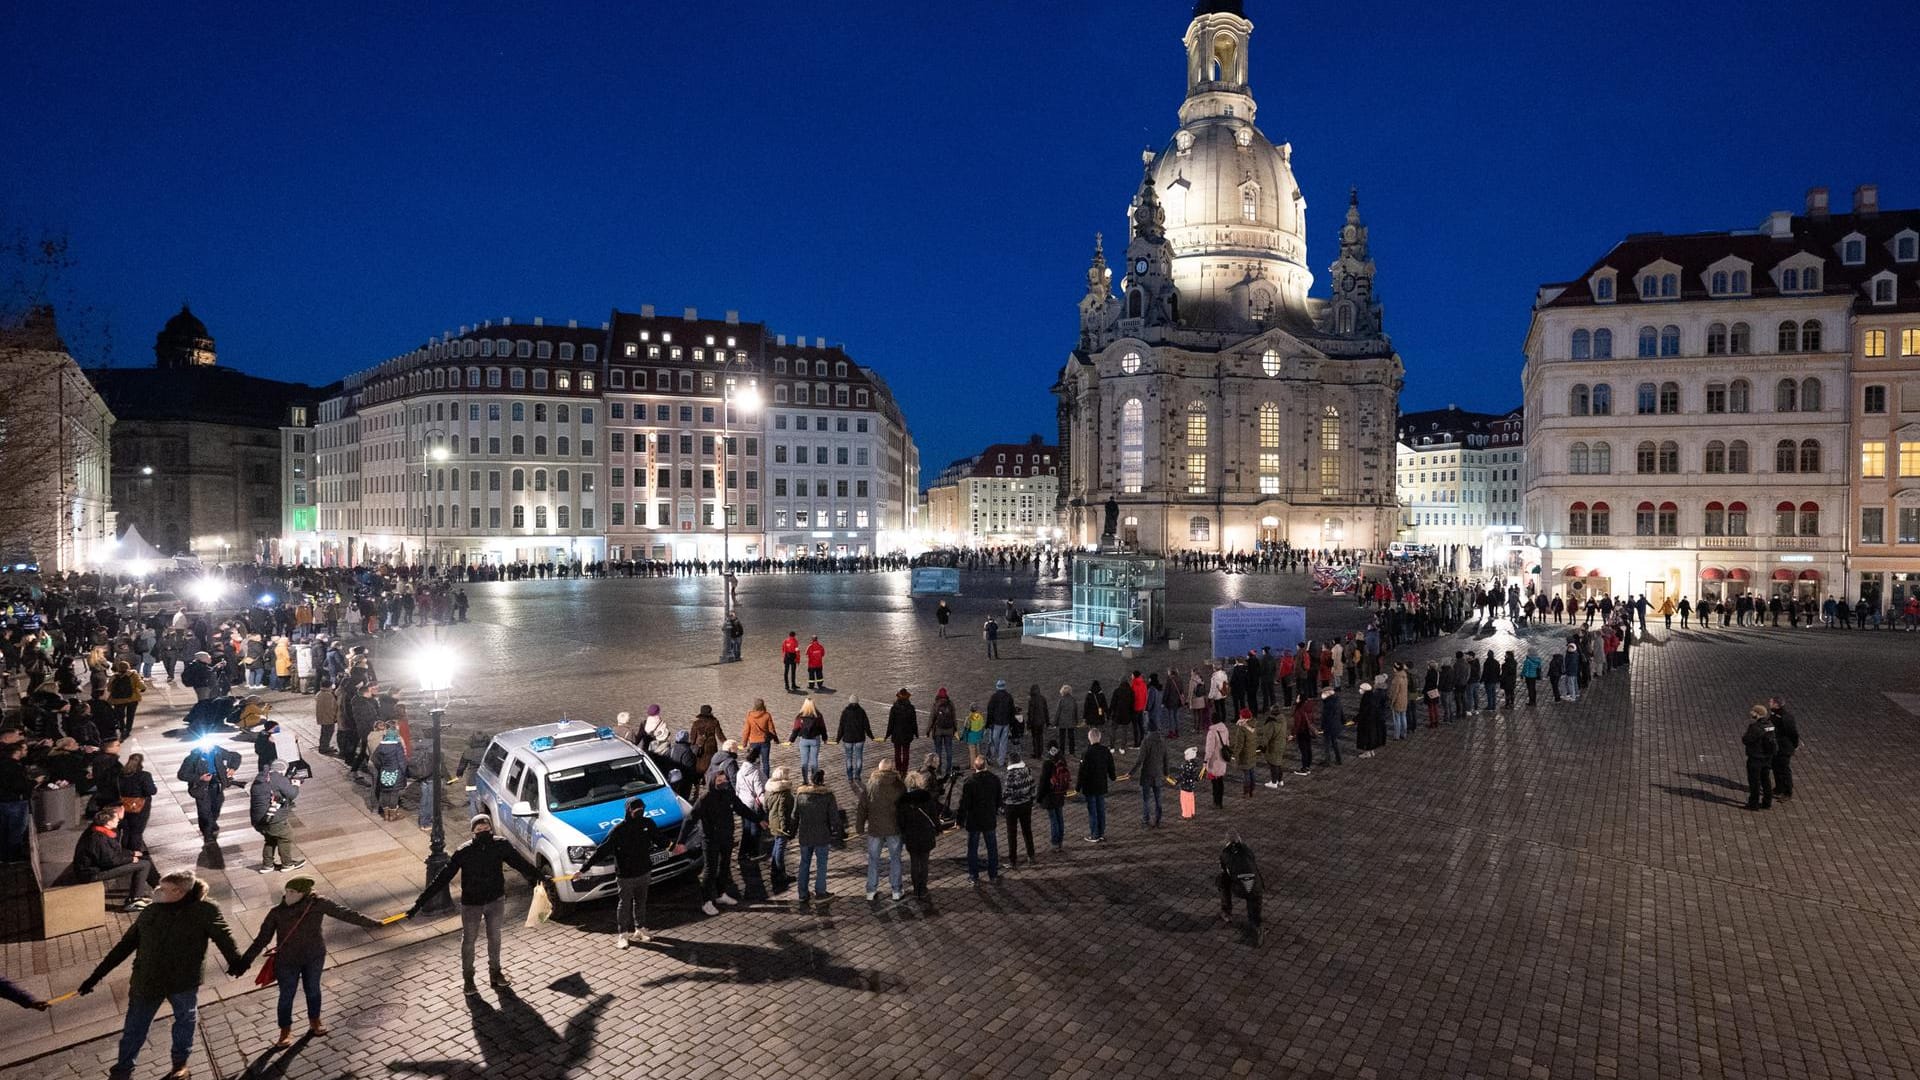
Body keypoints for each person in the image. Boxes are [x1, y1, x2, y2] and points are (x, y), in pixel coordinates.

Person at [79, 871, 243, 1080]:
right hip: (147, 980)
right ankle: (122, 1071)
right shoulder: (151, 911)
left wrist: (236, 962)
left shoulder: (205, 910)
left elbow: (224, 937)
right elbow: (125, 946)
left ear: (179, 891)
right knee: (135, 1028)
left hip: (182, 981)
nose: (156, 891)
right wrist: (95, 977)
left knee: (185, 1020)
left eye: (163, 888)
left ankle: (179, 1065)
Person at [239, 876, 383, 1047]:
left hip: (313, 956)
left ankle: (315, 1021)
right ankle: (285, 1031)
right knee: (286, 996)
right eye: (287, 891)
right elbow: (261, 939)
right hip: (287, 960)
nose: (288, 895)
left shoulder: (318, 904)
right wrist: (244, 962)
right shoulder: (277, 912)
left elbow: (345, 914)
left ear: (304, 893)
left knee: (313, 990)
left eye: (293, 892)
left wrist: (373, 923)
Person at [407, 813, 540, 993]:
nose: (483, 832)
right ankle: (469, 979)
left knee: (495, 937)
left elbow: (520, 864)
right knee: (469, 941)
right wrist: (419, 904)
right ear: (472, 832)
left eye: (486, 829)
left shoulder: (500, 845)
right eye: (479, 830)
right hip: (472, 904)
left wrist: (541, 877)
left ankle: (496, 973)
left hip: (496, 900)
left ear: (491, 829)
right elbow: (442, 878)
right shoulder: (464, 851)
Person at [578, 796, 664, 947]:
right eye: (636, 810)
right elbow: (601, 851)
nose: (640, 812)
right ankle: (623, 934)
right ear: (628, 811)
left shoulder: (647, 823)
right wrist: (584, 868)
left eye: (642, 809)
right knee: (624, 904)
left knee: (641, 901)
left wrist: (673, 847)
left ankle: (640, 928)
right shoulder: (618, 830)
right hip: (625, 875)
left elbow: (659, 838)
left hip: (644, 871)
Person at [72, 807, 161, 911]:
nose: (118, 820)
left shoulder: (101, 832)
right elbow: (110, 861)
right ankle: (134, 900)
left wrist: (132, 853)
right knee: (143, 865)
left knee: (143, 858)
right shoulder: (98, 838)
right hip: (91, 874)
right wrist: (131, 859)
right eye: (115, 819)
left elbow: (113, 853)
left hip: (95, 868)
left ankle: (156, 886)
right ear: (108, 822)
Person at [178, 739, 240, 843]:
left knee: (216, 808)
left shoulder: (217, 751)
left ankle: (212, 824)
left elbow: (235, 756)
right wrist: (200, 778)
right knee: (204, 811)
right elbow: (182, 775)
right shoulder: (193, 758)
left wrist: (233, 768)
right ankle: (207, 834)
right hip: (201, 787)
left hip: (217, 784)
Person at [793, 768, 839, 904]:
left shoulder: (801, 796)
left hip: (805, 835)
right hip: (822, 835)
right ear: (822, 781)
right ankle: (820, 892)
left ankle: (802, 893)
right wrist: (838, 833)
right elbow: (834, 818)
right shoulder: (828, 796)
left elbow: (794, 816)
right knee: (821, 865)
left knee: (804, 863)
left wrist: (792, 831)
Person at [249, 761, 304, 873]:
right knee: (285, 837)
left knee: (270, 839)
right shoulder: (278, 778)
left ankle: (267, 865)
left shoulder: (261, 777)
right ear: (282, 770)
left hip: (258, 820)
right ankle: (287, 864)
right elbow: (292, 794)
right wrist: (296, 785)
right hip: (273, 818)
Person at [865, 758, 907, 902]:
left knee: (873, 859)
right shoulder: (899, 785)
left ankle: (871, 890)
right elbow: (904, 808)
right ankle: (896, 889)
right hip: (893, 827)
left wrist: (859, 825)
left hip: (875, 828)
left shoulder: (871, 784)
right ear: (891, 769)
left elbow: (862, 806)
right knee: (895, 858)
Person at [956, 756, 1002, 884]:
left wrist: (960, 820)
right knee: (992, 848)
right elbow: (999, 799)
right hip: (989, 818)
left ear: (975, 766)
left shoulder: (969, 782)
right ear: (986, 765)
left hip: (974, 820)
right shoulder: (994, 779)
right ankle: (993, 874)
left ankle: (973, 875)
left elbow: (963, 804)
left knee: (972, 849)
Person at [897, 771, 940, 902]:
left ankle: (916, 889)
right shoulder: (927, 797)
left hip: (911, 835)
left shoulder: (903, 800)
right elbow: (934, 816)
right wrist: (937, 829)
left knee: (914, 862)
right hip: (926, 834)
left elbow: (901, 821)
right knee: (925, 862)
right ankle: (924, 888)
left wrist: (903, 833)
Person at [1218, 831, 1266, 945]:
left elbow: (1226, 872)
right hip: (1256, 887)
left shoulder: (1225, 854)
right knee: (1254, 907)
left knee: (1221, 880)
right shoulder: (1247, 850)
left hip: (1241, 888)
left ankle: (1226, 911)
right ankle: (1257, 926)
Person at [1077, 728, 1115, 842]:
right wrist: (1113, 776)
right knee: (1101, 809)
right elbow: (1111, 766)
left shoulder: (1086, 753)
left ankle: (1094, 834)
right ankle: (1101, 832)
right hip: (1101, 785)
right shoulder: (1105, 751)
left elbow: (1082, 772)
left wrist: (1078, 787)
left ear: (1090, 738)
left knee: (1092, 810)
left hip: (1090, 786)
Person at [764, 766, 797, 894]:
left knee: (776, 846)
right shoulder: (785, 793)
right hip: (781, 825)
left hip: (772, 822)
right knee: (780, 848)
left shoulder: (769, 789)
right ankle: (780, 873)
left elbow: (765, 806)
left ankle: (774, 870)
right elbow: (783, 812)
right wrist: (785, 829)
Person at [116, 752, 157, 855]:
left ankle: (125, 850)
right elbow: (151, 791)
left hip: (125, 804)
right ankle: (135, 852)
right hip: (140, 806)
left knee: (127, 830)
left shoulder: (121, 775)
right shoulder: (144, 775)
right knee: (137, 830)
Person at [1002, 752, 1037, 865]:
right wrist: (1031, 800)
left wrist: (1002, 805)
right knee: (1027, 831)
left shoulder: (1010, 775)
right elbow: (1033, 787)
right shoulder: (1027, 771)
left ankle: (1013, 860)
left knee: (1012, 833)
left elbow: (1006, 792)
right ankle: (1031, 855)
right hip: (1026, 805)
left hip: (1012, 807)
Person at [1742, 705, 1778, 811]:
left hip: (1756, 757)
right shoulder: (1770, 725)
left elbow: (1746, 740)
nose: (1751, 713)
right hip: (1767, 757)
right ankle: (1767, 802)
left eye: (1753, 711)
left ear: (1757, 713)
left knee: (1754, 781)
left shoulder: (1755, 727)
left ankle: (1753, 804)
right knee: (1766, 780)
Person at [1039, 744, 1071, 848]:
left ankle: (1055, 841)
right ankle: (1060, 840)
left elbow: (1043, 782)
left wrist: (1039, 797)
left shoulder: (1048, 763)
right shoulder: (1062, 761)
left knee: (1053, 819)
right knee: (1060, 817)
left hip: (1050, 795)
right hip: (1060, 793)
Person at [1134, 724, 1167, 827]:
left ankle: (1146, 819)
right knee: (1158, 799)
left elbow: (1140, 760)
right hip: (1158, 774)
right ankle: (1158, 819)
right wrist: (1166, 773)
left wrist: (1131, 772)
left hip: (1147, 774)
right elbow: (1166, 759)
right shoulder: (1162, 742)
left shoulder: (1146, 742)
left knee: (1146, 799)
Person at [837, 695, 873, 786]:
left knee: (849, 757)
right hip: (859, 738)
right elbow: (866, 726)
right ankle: (857, 775)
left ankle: (850, 777)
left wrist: (838, 739)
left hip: (848, 739)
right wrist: (871, 736)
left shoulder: (845, 712)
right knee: (859, 757)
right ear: (858, 702)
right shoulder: (862, 712)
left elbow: (841, 726)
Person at [372, 728, 407, 821]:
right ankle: (393, 815)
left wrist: (382, 767)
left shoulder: (380, 746)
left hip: (384, 772)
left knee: (385, 793)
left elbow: (374, 759)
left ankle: (386, 815)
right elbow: (402, 761)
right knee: (394, 794)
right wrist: (405, 772)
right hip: (396, 772)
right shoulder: (397, 746)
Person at [1768, 697, 1800, 799]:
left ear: (1777, 704)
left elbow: (1793, 733)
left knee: (1784, 769)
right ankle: (1779, 788)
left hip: (1784, 747)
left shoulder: (1786, 717)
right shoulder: (1774, 713)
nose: (1769, 703)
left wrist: (1794, 745)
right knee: (1775, 767)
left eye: (1771, 702)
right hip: (1776, 746)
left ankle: (1787, 791)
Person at [740, 698, 779, 782]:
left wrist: (744, 743)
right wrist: (776, 739)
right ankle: (766, 780)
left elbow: (746, 730)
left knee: (754, 762)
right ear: (763, 705)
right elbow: (771, 729)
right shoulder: (767, 715)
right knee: (765, 762)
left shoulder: (750, 716)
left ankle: (755, 779)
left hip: (753, 742)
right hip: (765, 741)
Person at [792, 698, 828, 781]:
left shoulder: (800, 715)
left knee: (804, 762)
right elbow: (822, 728)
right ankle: (814, 779)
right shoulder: (818, 715)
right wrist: (825, 738)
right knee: (814, 761)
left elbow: (795, 729)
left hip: (804, 740)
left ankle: (805, 780)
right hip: (815, 740)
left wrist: (791, 740)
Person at [1202, 709, 1232, 808]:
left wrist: (1206, 760)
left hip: (1214, 760)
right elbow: (1227, 743)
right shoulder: (1225, 729)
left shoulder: (1212, 732)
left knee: (1214, 782)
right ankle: (1220, 802)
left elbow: (1209, 748)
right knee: (1221, 780)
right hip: (1222, 758)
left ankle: (1216, 801)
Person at [885, 689, 918, 773]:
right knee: (906, 753)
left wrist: (887, 734)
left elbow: (890, 723)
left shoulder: (894, 708)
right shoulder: (911, 708)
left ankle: (898, 769)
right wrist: (916, 733)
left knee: (897, 753)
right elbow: (914, 722)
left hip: (896, 734)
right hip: (907, 734)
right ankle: (904, 770)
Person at [1230, 707, 1262, 794]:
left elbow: (1239, 744)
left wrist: (1234, 755)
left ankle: (1247, 791)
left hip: (1245, 754)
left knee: (1246, 773)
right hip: (1252, 751)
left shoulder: (1242, 729)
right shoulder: (1253, 724)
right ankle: (1252, 788)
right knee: (1252, 771)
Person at [985, 680, 1016, 767]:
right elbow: (1012, 711)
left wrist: (988, 723)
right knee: (1003, 742)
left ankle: (991, 758)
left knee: (994, 741)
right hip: (1006, 724)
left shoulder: (994, 697)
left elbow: (990, 711)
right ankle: (1001, 761)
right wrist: (1011, 723)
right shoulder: (1009, 697)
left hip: (996, 724)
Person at [929, 688, 958, 775]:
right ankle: (948, 769)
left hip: (938, 731)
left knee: (938, 751)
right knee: (949, 750)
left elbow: (931, 718)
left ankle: (938, 769)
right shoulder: (950, 703)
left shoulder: (936, 704)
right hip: (949, 731)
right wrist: (955, 729)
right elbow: (954, 717)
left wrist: (928, 730)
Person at [1290, 694, 1317, 776]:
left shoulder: (1299, 710)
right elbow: (1312, 719)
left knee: (1303, 751)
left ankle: (1304, 769)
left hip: (1302, 731)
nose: (1296, 699)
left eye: (1298, 698)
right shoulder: (1309, 707)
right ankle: (1308, 767)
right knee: (1308, 749)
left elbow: (1297, 724)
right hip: (1308, 730)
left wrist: (1293, 734)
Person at [1025, 683, 1050, 760]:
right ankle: (1040, 753)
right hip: (1041, 722)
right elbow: (1046, 711)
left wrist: (1028, 724)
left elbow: (1031, 713)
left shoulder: (1032, 700)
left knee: (1035, 738)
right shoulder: (1043, 698)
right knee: (1040, 737)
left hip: (1034, 723)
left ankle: (1036, 753)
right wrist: (1047, 722)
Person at [1053, 683, 1080, 755]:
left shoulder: (1061, 700)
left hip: (1062, 722)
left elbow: (1058, 712)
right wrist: (1076, 721)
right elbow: (1075, 711)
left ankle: (1062, 752)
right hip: (1071, 721)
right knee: (1071, 737)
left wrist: (1055, 722)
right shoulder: (1073, 700)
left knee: (1062, 738)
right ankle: (1072, 751)